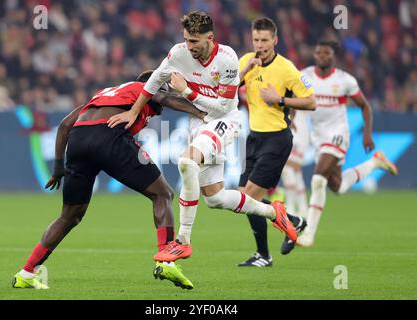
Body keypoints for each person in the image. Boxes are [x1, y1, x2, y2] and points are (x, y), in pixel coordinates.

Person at [108, 11, 298, 266]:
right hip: (200, 123)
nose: (189, 46)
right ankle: (273, 212)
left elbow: (221, 107)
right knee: (214, 198)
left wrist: (186, 90)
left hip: (226, 121)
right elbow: (154, 80)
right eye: (186, 40)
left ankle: (183, 242)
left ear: (210, 38)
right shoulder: (178, 53)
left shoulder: (228, 60)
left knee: (187, 162)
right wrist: (133, 111)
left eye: (195, 41)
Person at [12, 70, 206, 290]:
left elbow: (66, 125)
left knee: (69, 217)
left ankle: (26, 273)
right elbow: (162, 98)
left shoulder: (104, 94)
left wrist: (58, 168)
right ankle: (167, 260)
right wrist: (202, 112)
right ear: (153, 86)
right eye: (164, 88)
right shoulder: (143, 89)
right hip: (108, 136)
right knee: (163, 194)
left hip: (78, 141)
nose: (164, 97)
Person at [296, 40, 398, 247]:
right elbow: (290, 94)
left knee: (317, 180)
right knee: (338, 187)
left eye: (327, 53)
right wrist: (288, 117)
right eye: (319, 52)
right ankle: (374, 163)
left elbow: (365, 106)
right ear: (314, 55)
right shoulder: (304, 76)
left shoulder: (345, 80)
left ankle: (308, 235)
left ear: (334, 57)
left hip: (338, 133)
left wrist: (367, 134)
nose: (322, 56)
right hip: (318, 137)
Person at [237, 17, 316, 267]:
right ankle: (289, 223)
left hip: (277, 139)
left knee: (248, 198)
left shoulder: (287, 69)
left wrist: (280, 99)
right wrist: (244, 71)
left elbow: (311, 102)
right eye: (256, 39)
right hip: (254, 138)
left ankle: (268, 250)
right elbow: (225, 89)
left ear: (275, 40)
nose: (259, 45)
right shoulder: (246, 62)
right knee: (242, 199)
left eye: (264, 40)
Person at [281, 109, 310, 218]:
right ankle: (302, 208)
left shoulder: (300, 96)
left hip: (298, 133)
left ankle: (291, 209)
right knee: (294, 172)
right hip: (296, 131)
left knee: (290, 169)